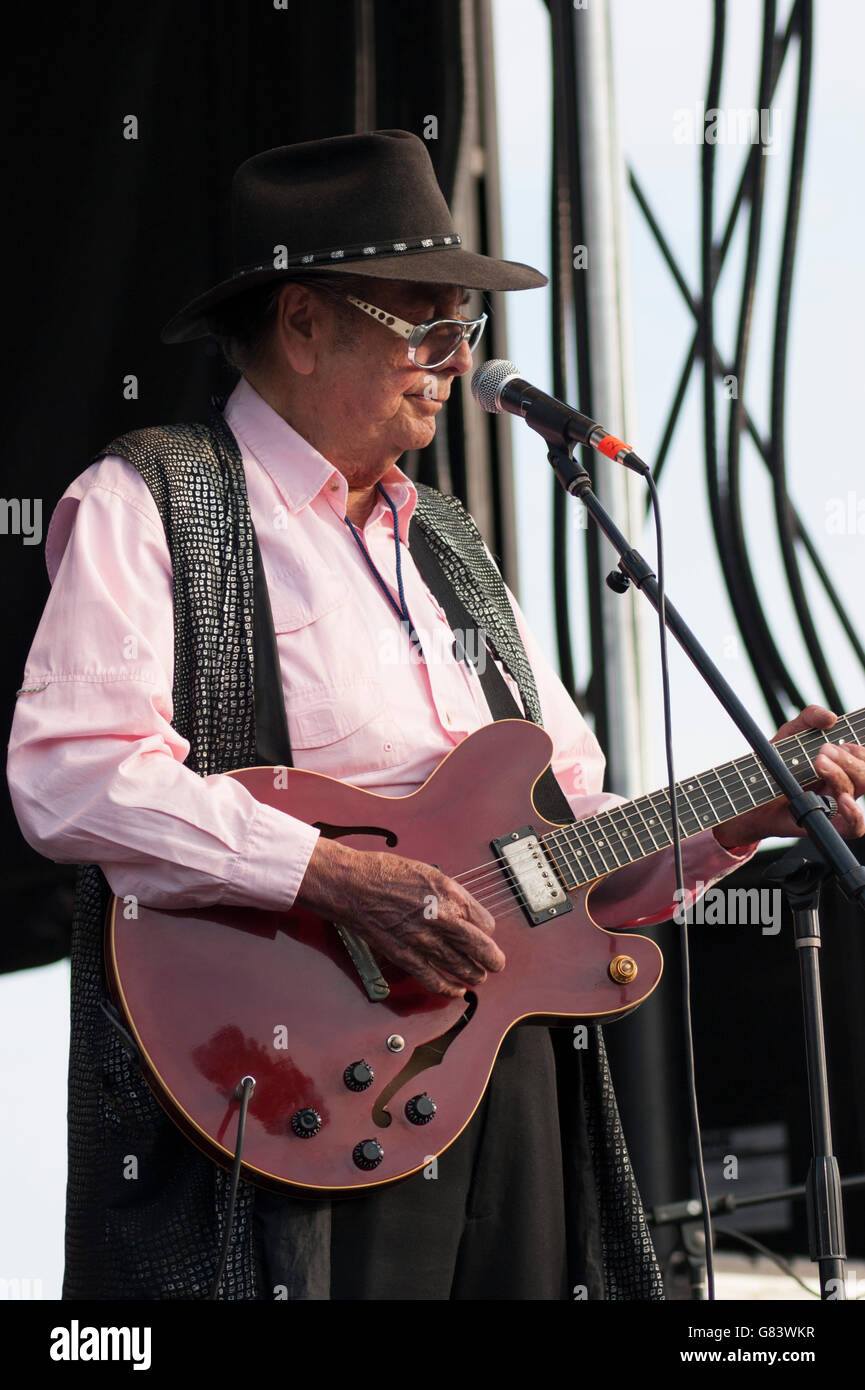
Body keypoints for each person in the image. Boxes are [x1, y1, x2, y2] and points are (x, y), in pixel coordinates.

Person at [8, 130, 865, 1302]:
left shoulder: (452, 548)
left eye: (462, 331)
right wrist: (333, 877)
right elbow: (74, 776)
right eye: (428, 325)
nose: (457, 360)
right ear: (303, 324)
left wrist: (739, 815)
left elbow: (570, 846)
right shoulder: (152, 500)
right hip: (278, 1077)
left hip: (490, 1073)